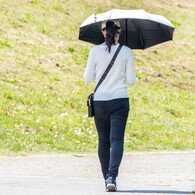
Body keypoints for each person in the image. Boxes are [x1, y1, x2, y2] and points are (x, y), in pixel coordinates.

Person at [84, 20, 137, 192]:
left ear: (103, 32)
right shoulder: (126, 51)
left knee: (104, 141)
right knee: (117, 140)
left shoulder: (95, 50)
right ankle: (112, 176)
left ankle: (106, 177)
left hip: (100, 102)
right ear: (119, 31)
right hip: (120, 100)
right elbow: (130, 81)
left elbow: (87, 78)